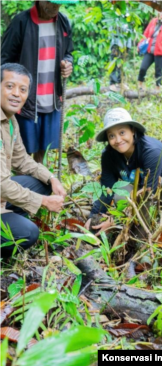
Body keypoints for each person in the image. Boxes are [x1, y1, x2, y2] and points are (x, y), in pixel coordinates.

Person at [85, 108, 162, 235]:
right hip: (144, 188)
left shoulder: (150, 150)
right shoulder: (108, 156)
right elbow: (107, 189)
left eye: (122, 133)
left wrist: (115, 220)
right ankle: (146, 223)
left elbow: (148, 194)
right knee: (120, 194)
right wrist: (93, 216)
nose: (118, 140)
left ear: (132, 130)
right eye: (112, 136)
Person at [0, 63, 66, 257]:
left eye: (22, 89)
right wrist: (44, 202)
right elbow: (2, 185)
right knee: (28, 233)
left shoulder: (10, 121)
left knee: (41, 182)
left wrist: (51, 178)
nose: (16, 94)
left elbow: (22, 161)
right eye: (9, 86)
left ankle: (10, 216)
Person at [0, 0, 77, 163]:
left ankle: (40, 181)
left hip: (52, 99)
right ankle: (21, 184)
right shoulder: (21, 22)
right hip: (26, 100)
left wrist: (68, 63)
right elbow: (4, 60)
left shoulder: (63, 23)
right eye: (52, 2)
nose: (56, 7)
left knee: (44, 147)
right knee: (24, 148)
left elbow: (68, 52)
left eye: (59, 4)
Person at [109, 22, 132, 92]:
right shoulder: (115, 16)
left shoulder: (127, 17)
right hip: (115, 44)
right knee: (113, 64)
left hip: (124, 45)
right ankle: (112, 83)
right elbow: (111, 32)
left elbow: (129, 33)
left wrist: (128, 47)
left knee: (121, 65)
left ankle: (120, 82)